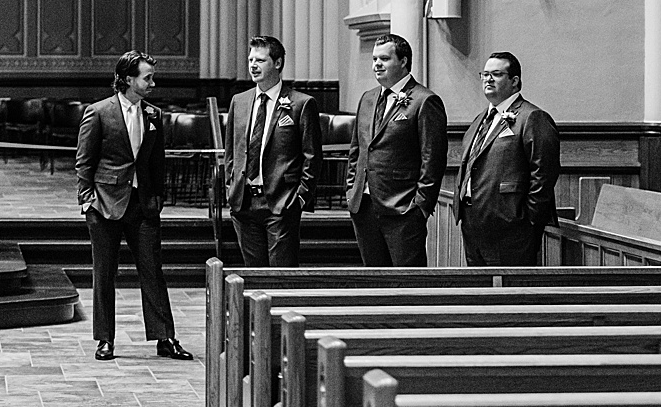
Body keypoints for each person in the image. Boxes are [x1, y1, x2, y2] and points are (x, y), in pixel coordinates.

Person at [74, 51, 191, 362]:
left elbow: (157, 161)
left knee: (153, 272)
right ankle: (105, 339)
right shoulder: (99, 112)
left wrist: (158, 198)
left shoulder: (154, 115)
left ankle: (165, 338)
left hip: (143, 205)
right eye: (147, 77)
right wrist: (86, 201)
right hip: (105, 204)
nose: (152, 82)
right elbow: (84, 163)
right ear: (128, 80)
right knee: (104, 273)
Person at [346, 33, 448, 267]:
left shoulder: (424, 100)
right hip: (364, 207)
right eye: (374, 59)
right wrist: (352, 190)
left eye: (384, 58)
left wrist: (420, 206)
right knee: (374, 283)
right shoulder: (368, 98)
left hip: (403, 209)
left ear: (403, 61)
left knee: (407, 285)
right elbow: (357, 150)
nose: (377, 65)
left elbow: (432, 158)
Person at [455, 51, 561, 266]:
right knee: (479, 292)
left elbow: (544, 173)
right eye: (484, 74)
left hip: (512, 227)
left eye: (496, 74)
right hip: (474, 221)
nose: (488, 79)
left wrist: (528, 220)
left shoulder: (531, 117)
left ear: (514, 81)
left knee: (510, 294)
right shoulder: (480, 120)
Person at [223, 36, 321, 267]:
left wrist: (299, 198)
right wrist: (231, 186)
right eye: (250, 60)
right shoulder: (240, 101)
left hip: (281, 202)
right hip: (244, 203)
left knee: (281, 276)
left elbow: (312, 156)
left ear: (277, 63)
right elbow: (231, 152)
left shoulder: (301, 103)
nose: (253, 65)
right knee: (253, 275)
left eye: (260, 60)